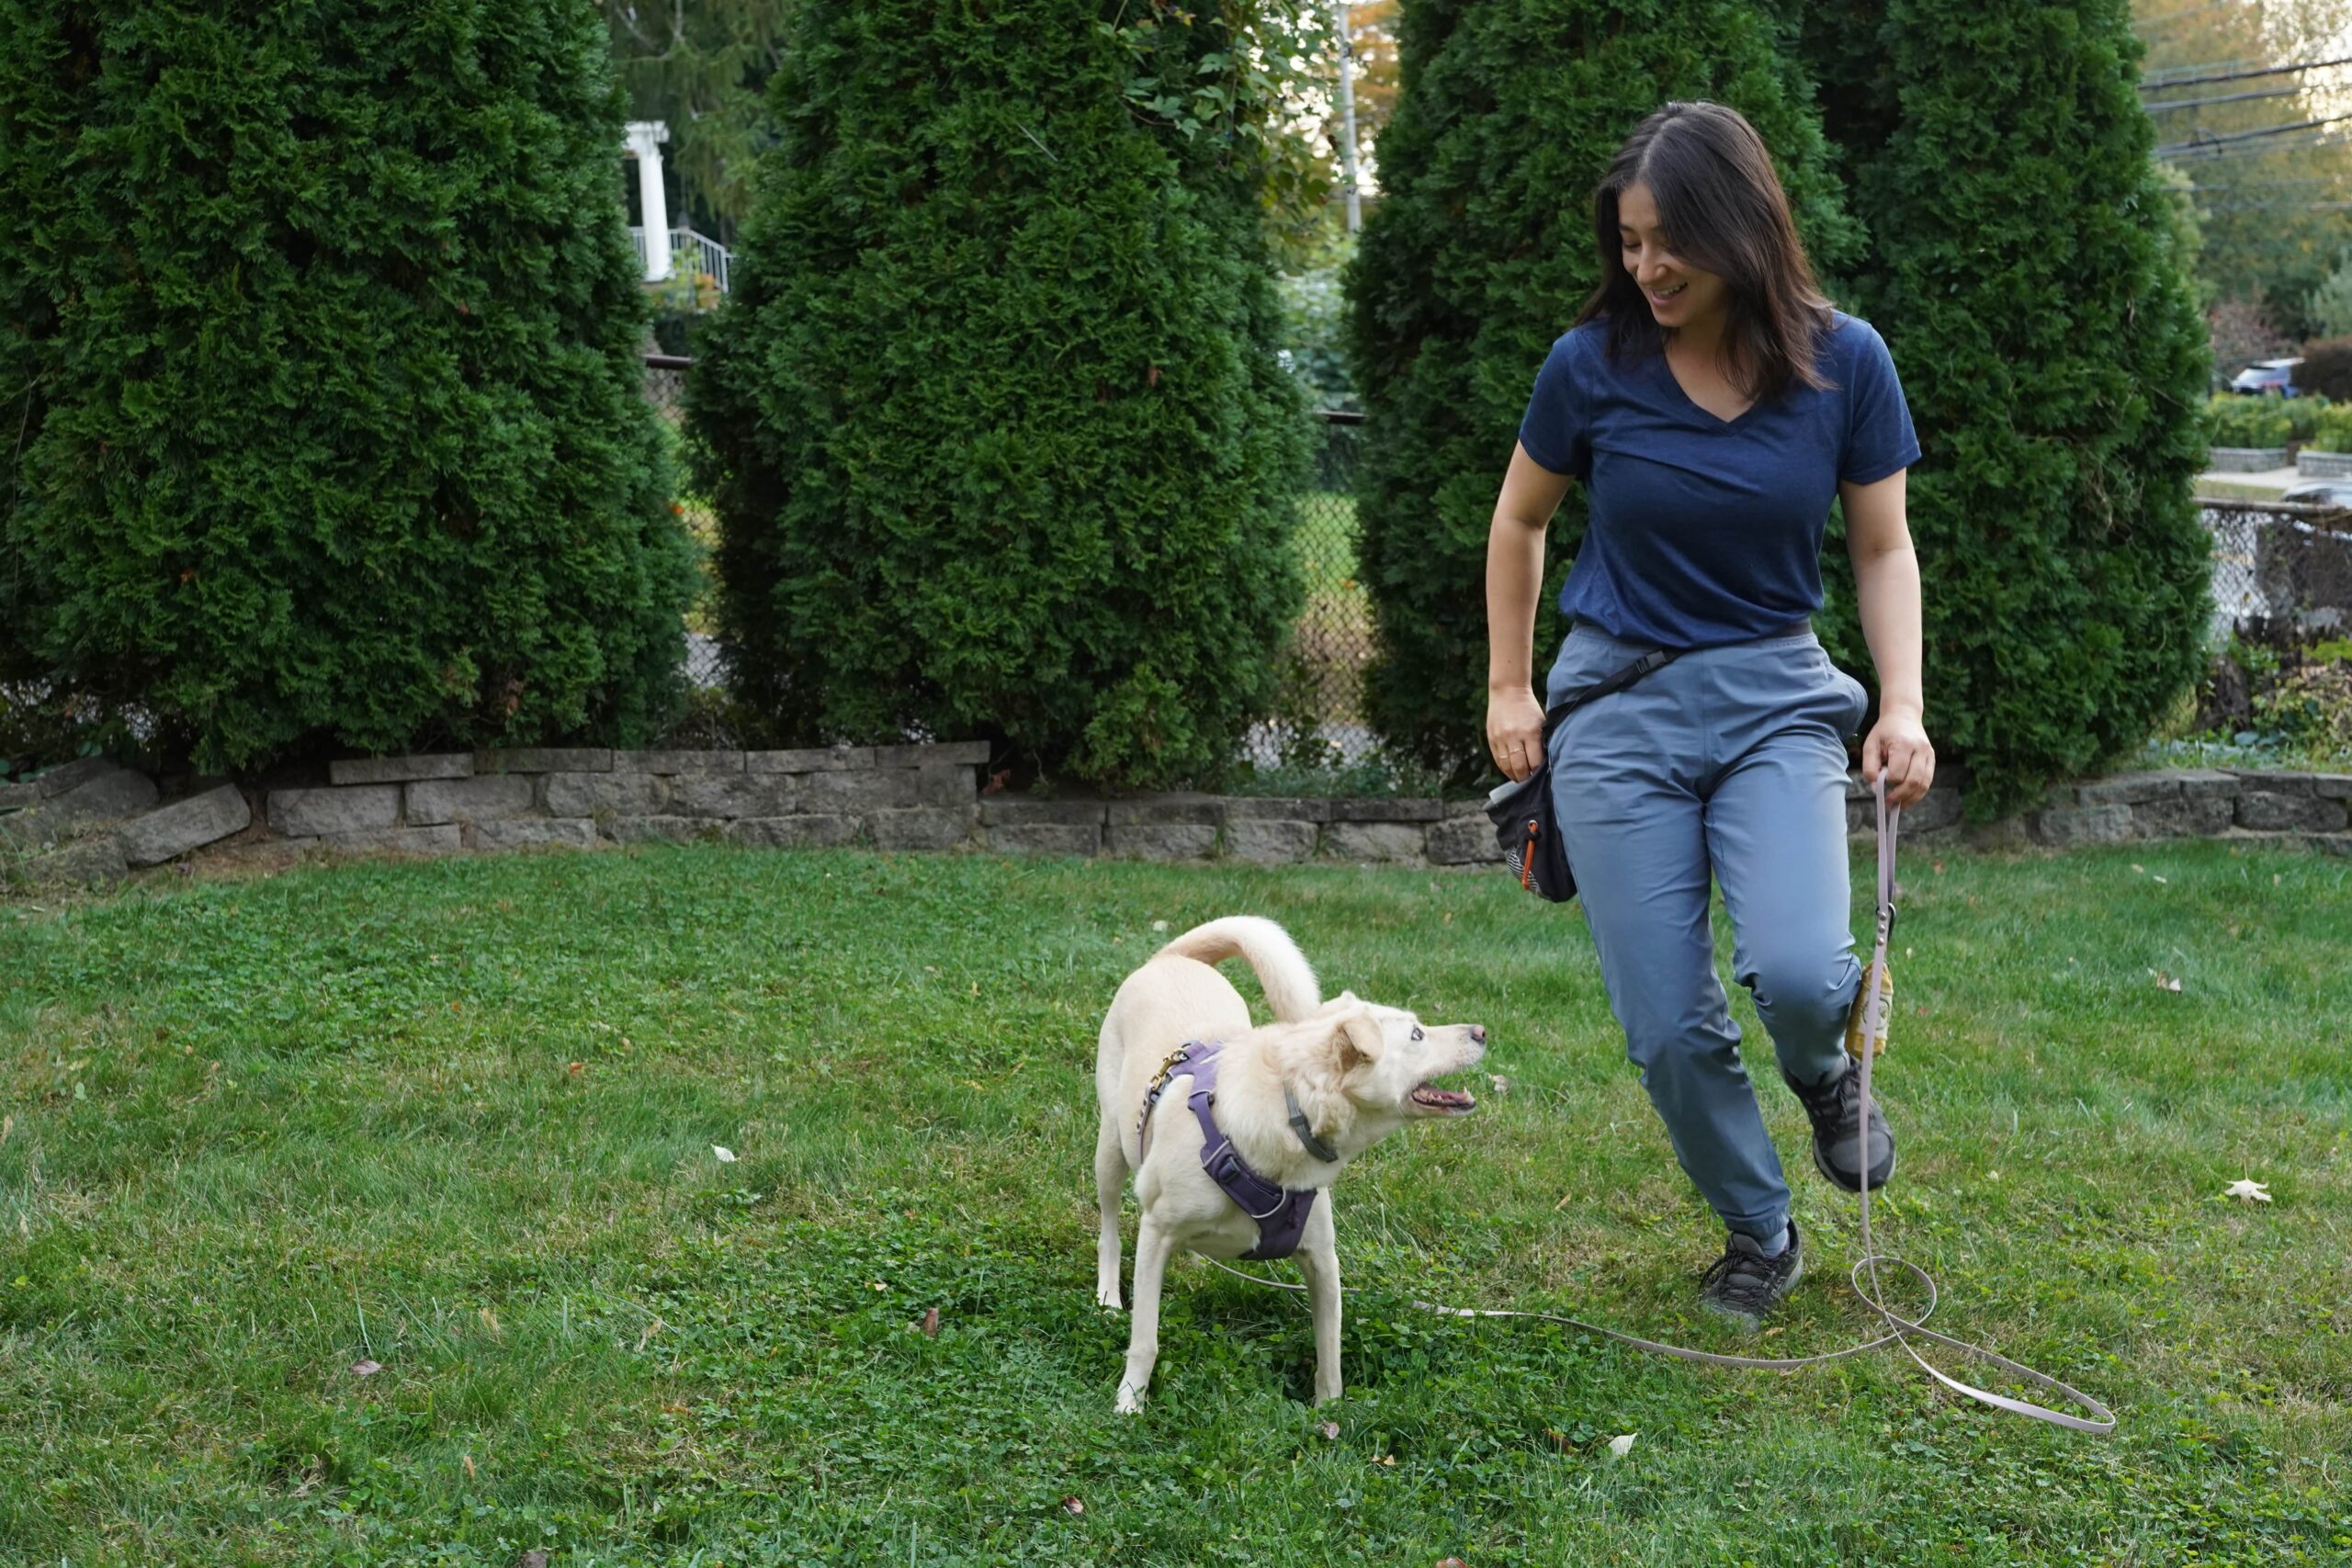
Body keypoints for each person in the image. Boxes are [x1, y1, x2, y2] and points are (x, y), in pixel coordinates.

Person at [1484, 101, 1934, 1328]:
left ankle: (1824, 1073)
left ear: (1741, 226)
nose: (1647, 268)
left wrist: (1901, 702)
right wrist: (1511, 685)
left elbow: (1883, 548)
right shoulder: (1592, 367)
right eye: (1629, 243)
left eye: (1668, 241)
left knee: (1799, 970)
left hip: (1774, 699)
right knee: (1668, 1024)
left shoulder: (1848, 362)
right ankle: (1759, 1226)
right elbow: (1520, 523)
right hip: (1617, 712)